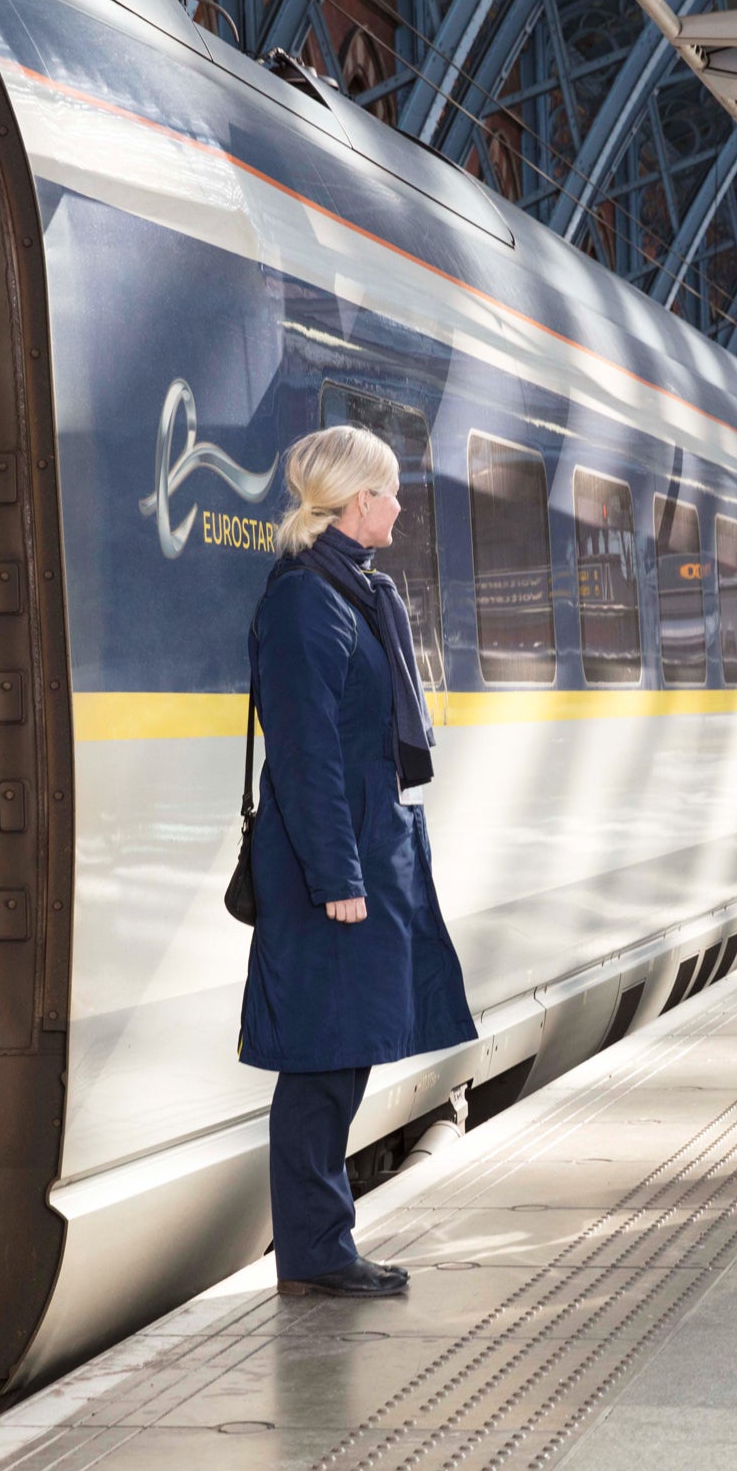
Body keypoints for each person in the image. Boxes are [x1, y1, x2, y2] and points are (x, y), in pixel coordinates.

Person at [241, 426, 476, 1297]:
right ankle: (315, 1251)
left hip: (367, 851)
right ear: (355, 502)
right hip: (328, 870)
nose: (402, 505)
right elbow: (304, 756)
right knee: (321, 1059)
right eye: (390, 491)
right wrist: (338, 879)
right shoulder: (308, 601)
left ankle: (321, 1243)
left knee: (343, 1052)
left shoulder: (352, 594)